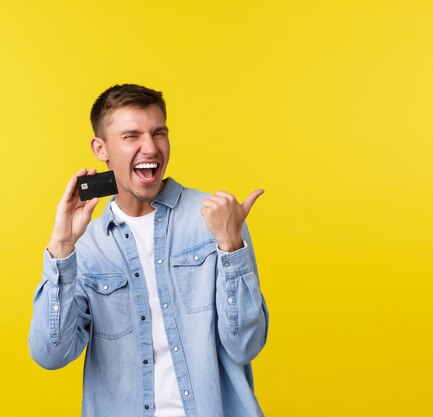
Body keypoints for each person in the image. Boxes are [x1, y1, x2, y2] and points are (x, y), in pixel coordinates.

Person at [29, 84, 269, 417]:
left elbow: (246, 345)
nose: (150, 148)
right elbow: (51, 355)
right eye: (131, 136)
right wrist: (61, 249)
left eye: (159, 133)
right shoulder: (85, 246)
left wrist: (231, 248)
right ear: (101, 148)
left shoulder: (217, 220)